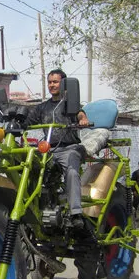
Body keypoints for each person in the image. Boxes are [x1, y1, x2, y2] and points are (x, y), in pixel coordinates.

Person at [26, 69, 90, 229]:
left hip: (70, 148)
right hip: (48, 151)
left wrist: (83, 119)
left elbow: (81, 114)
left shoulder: (71, 104)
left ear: (64, 84)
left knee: (72, 171)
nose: (52, 85)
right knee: (27, 168)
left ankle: (76, 213)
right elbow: (27, 121)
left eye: (55, 82)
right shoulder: (42, 108)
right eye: (49, 82)